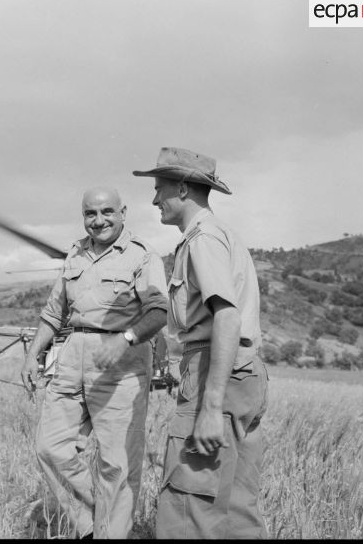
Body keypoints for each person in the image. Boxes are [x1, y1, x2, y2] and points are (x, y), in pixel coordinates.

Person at [133, 147, 268, 539]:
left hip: (215, 374)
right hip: (243, 375)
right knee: (236, 512)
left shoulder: (202, 240)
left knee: (188, 511)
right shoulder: (222, 235)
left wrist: (209, 406)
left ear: (181, 188)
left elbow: (225, 316)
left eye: (159, 189)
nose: (155, 199)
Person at [21, 186, 168, 539]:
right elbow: (54, 313)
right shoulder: (75, 254)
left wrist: (127, 338)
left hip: (121, 359)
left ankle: (110, 534)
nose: (98, 220)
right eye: (90, 213)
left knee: (116, 463)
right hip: (73, 355)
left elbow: (159, 312)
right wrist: (32, 354)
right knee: (50, 446)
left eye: (107, 212)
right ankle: (92, 524)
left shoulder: (143, 256)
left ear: (123, 212)